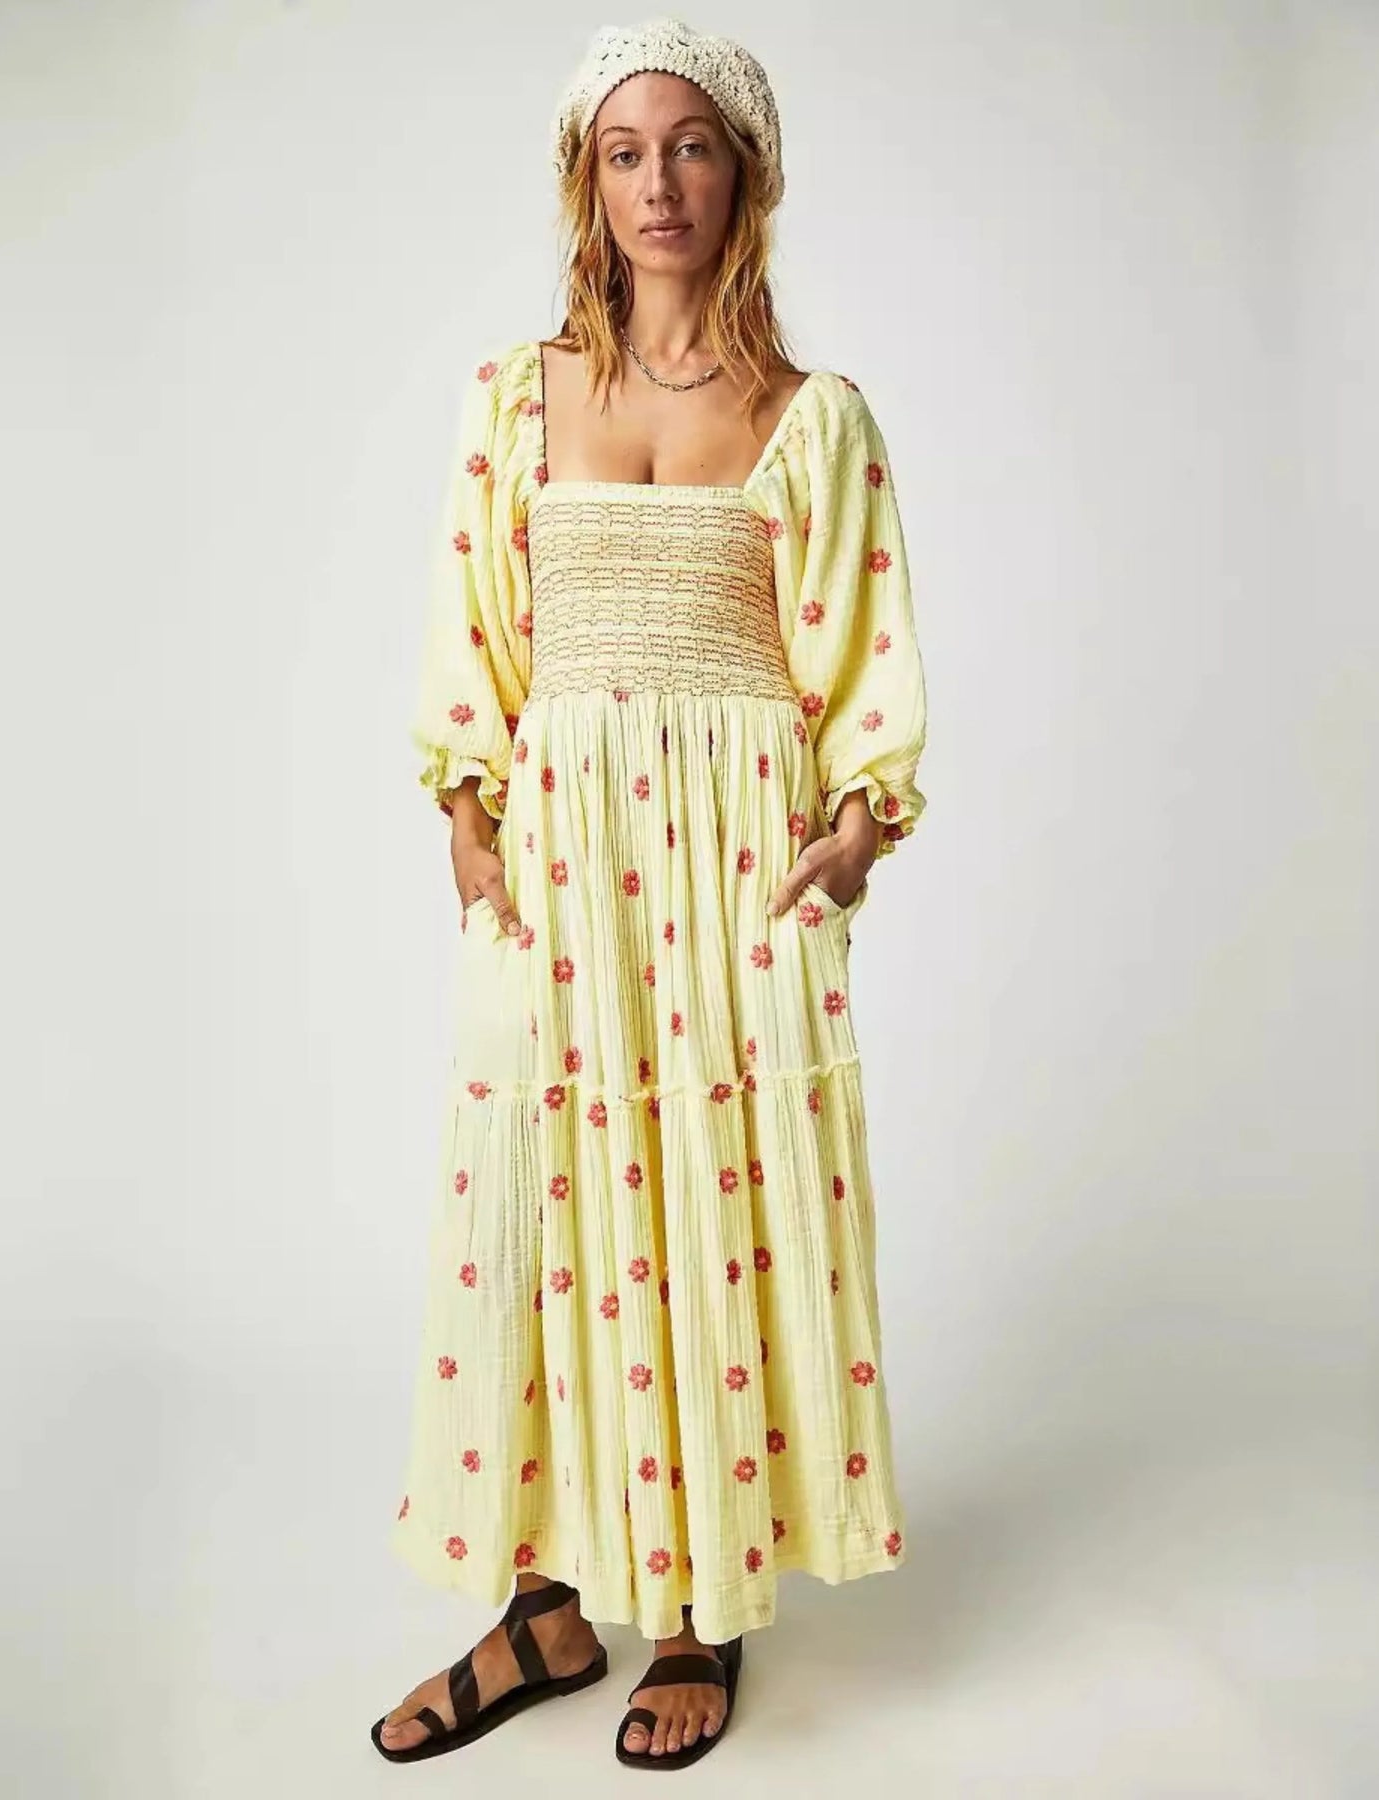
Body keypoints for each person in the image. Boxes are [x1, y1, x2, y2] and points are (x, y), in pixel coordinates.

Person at [373, 15, 929, 1770]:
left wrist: (858, 831)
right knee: (540, 1201)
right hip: (561, 856)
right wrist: (466, 813)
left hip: (739, 858)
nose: (659, 183)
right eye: (625, 152)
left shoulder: (813, 419)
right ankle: (544, 1605)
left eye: (690, 146)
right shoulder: (512, 395)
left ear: (743, 173)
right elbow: (475, 631)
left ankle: (698, 1608)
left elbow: (865, 657)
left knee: (716, 1194)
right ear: (586, 183)